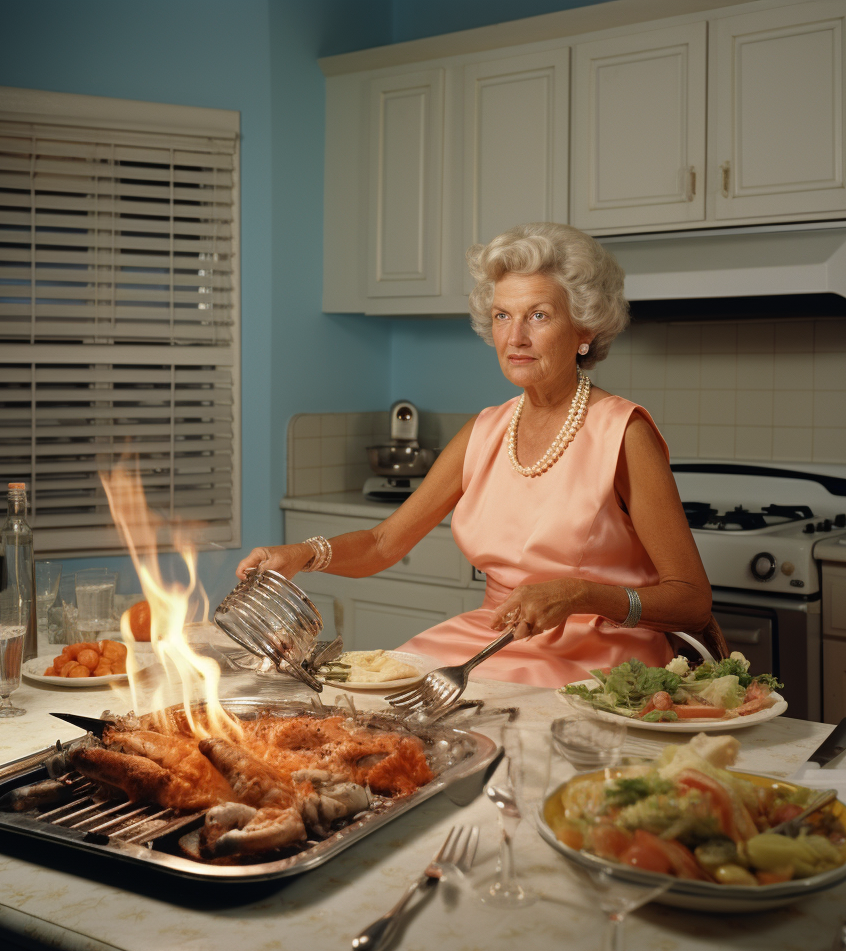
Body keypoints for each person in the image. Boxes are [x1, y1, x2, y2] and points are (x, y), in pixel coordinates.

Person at [237, 222, 715, 687]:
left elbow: (692, 602)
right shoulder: (486, 430)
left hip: (600, 658)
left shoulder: (624, 433)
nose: (516, 337)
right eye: (503, 316)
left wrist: (581, 595)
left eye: (539, 315)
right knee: (384, 705)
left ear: (584, 326)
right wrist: (301, 554)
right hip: (495, 639)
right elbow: (385, 543)